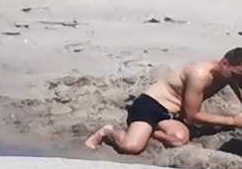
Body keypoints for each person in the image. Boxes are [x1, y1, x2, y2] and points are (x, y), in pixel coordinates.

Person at [85, 49, 242, 155]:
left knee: (179, 140)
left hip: (171, 115)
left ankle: (148, 131)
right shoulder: (200, 74)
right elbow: (192, 117)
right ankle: (108, 131)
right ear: (225, 63)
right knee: (132, 147)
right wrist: (233, 121)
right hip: (150, 105)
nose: (239, 79)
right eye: (237, 75)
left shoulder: (228, 74)